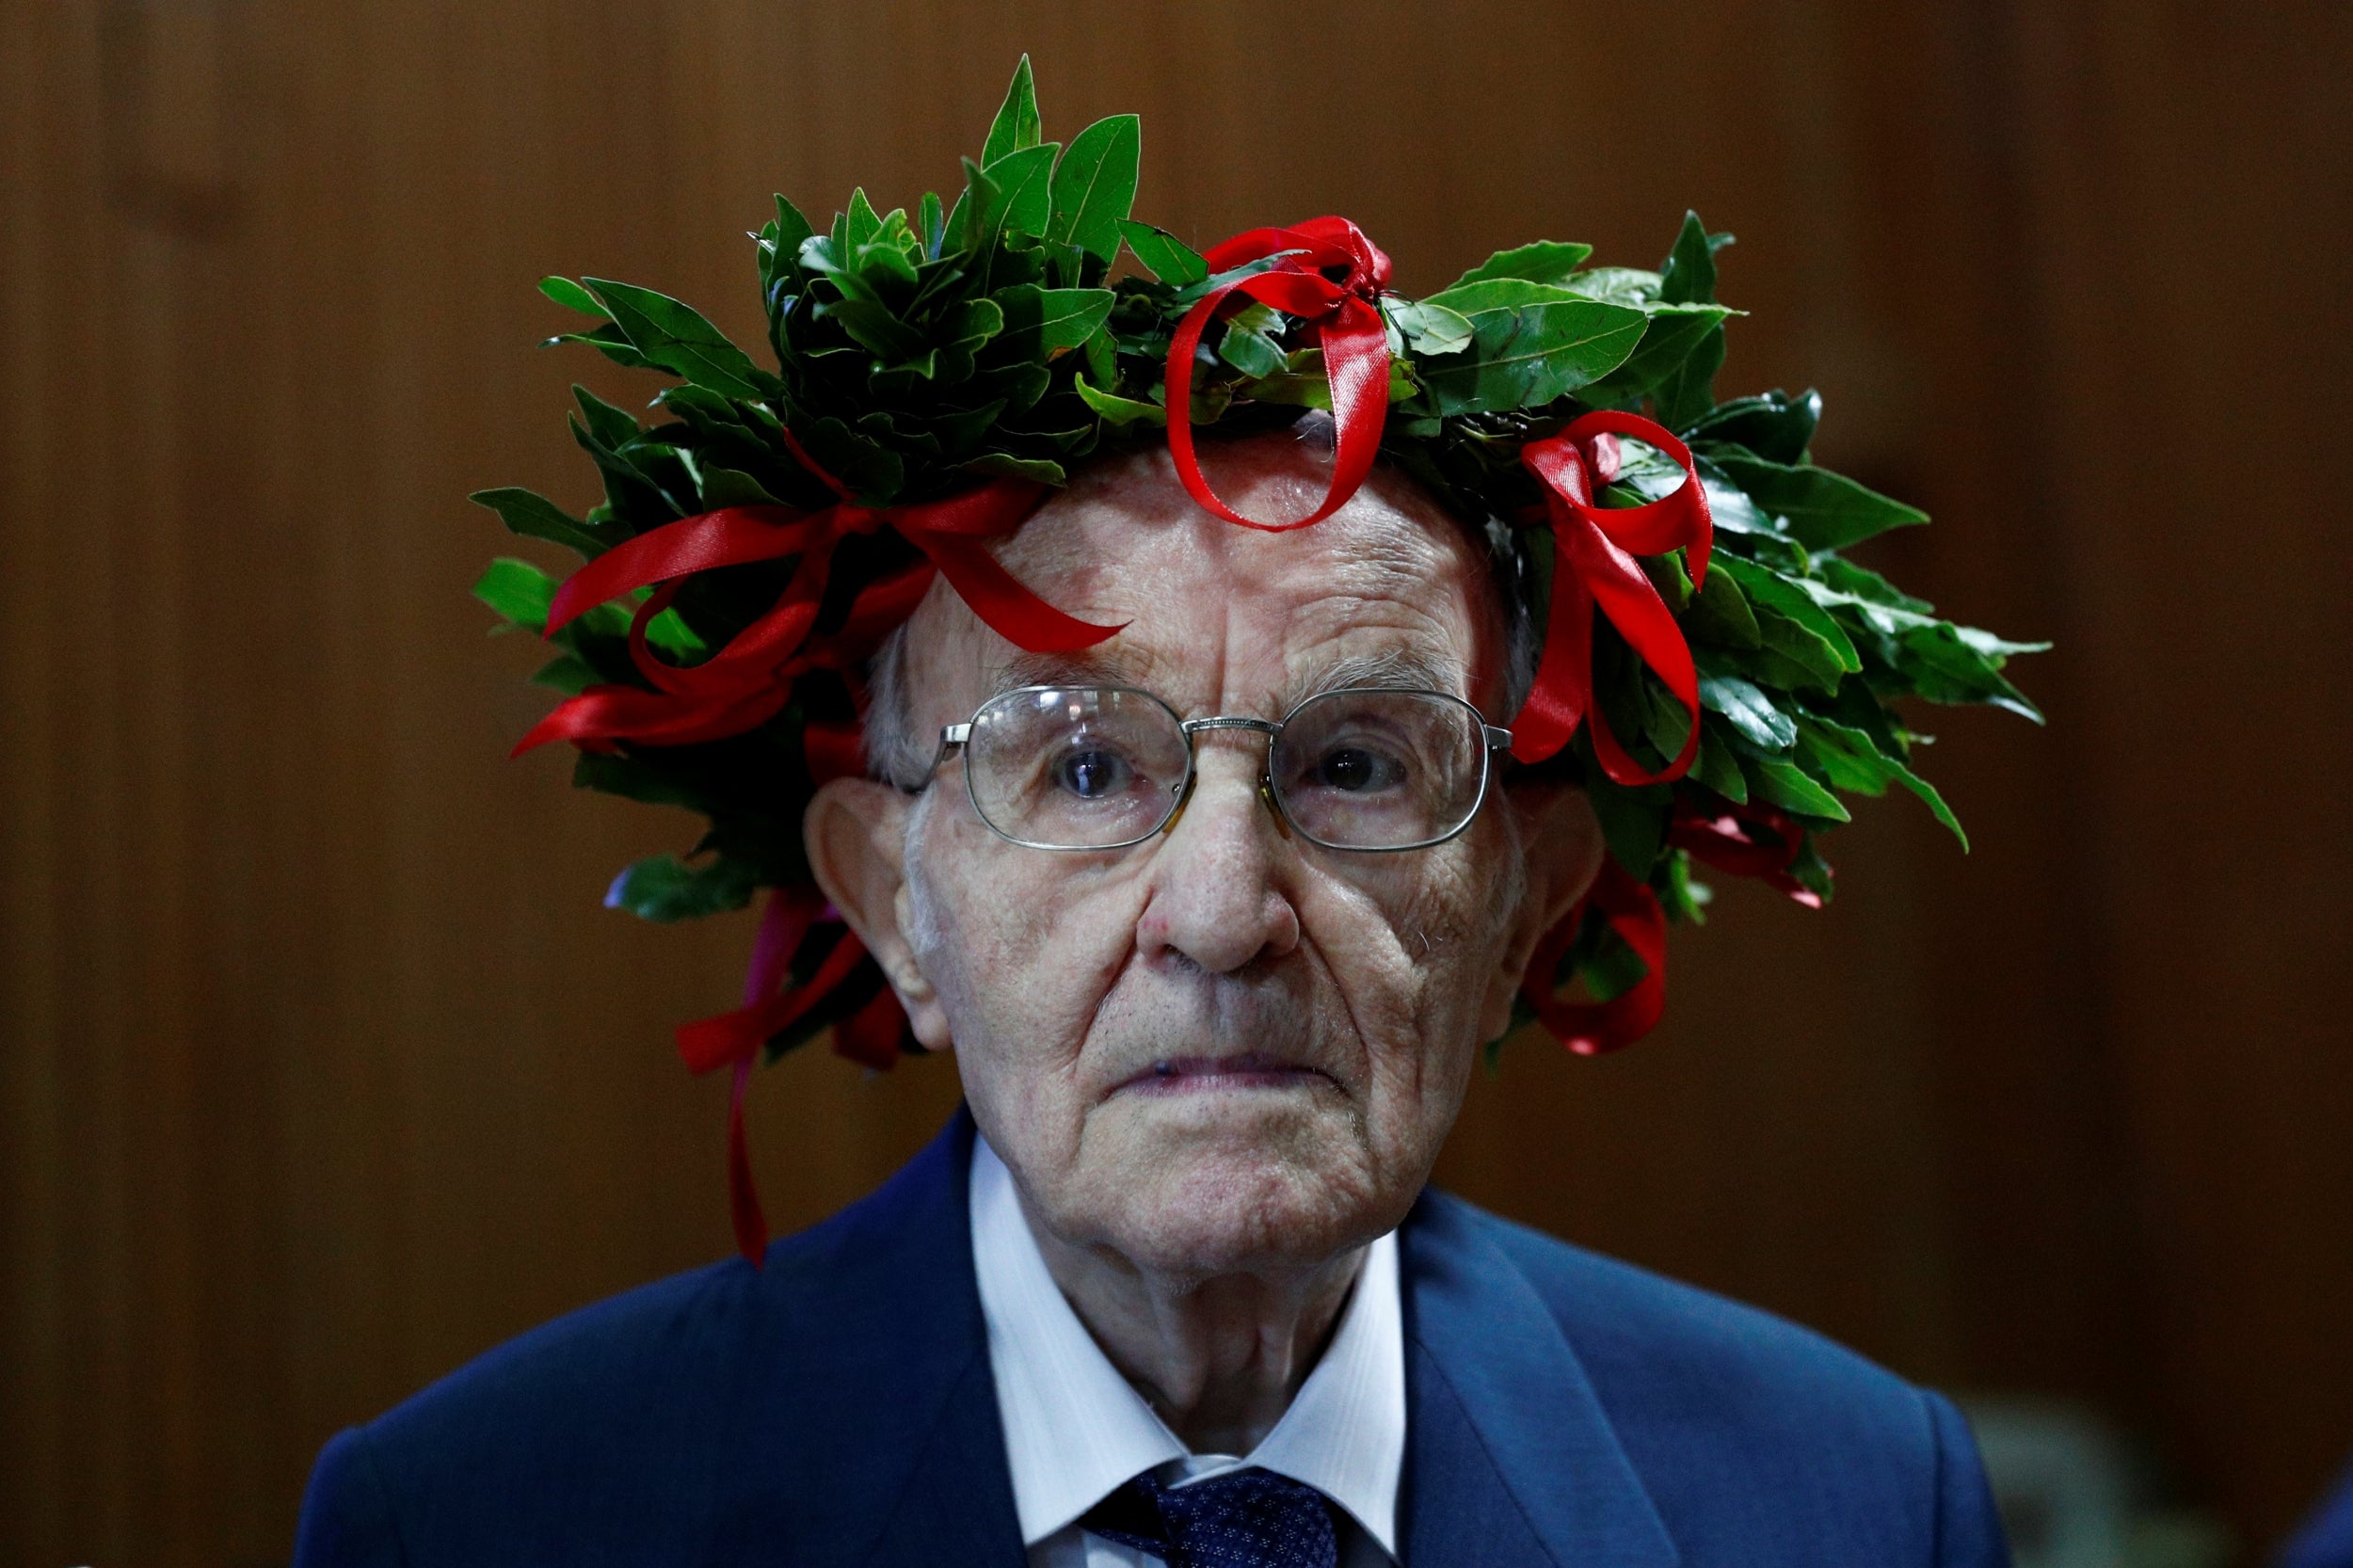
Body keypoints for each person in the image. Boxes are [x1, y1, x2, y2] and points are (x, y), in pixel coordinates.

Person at [296, 59, 2035, 1567]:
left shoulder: (1856, 1502)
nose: (1220, 912)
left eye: (1357, 764)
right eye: (1081, 766)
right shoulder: (477, 1518)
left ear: (1524, 909)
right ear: (892, 898)